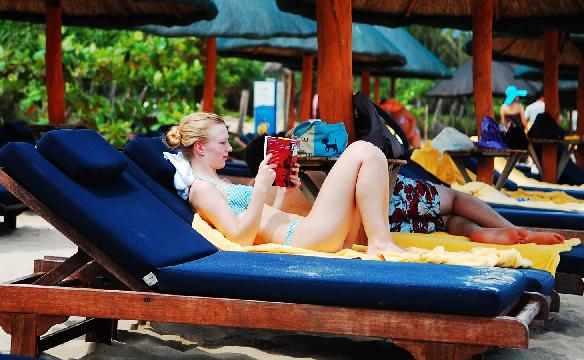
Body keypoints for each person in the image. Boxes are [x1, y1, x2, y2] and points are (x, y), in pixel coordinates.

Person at [165, 113, 564, 257]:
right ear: (200, 147)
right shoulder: (202, 189)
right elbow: (240, 235)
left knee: (365, 160)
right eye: (222, 142)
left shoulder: (220, 181)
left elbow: (266, 215)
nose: (230, 146)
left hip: (306, 231)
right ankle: (380, 242)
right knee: (364, 151)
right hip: (303, 237)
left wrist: (279, 187)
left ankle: (382, 238)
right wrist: (261, 187)